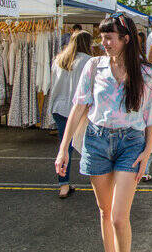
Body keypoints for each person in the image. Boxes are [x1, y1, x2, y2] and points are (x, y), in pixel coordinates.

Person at [55, 13, 152, 252]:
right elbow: (79, 106)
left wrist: (147, 151)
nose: (104, 43)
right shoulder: (93, 66)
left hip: (131, 143)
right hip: (96, 141)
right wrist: (63, 148)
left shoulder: (147, 73)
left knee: (118, 216)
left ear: (126, 39)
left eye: (110, 38)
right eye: (102, 37)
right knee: (104, 211)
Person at [48, 30, 93, 198]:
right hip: (80, 109)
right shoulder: (89, 61)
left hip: (59, 107)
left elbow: (53, 84)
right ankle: (95, 178)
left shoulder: (59, 60)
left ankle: (63, 184)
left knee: (64, 146)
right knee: (87, 143)